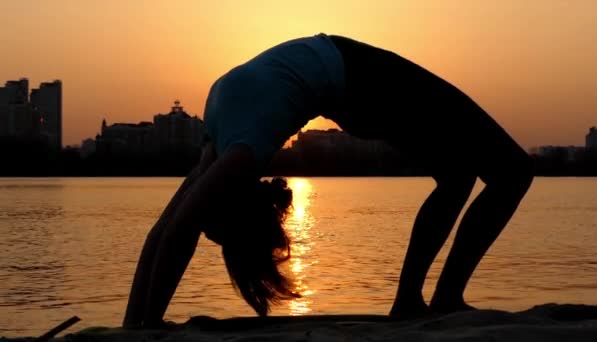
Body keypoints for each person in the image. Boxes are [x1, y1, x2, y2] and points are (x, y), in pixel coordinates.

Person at [122, 33, 534, 328]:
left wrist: (142, 327)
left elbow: (168, 234)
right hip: (360, 79)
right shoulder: (233, 151)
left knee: (461, 174)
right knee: (511, 170)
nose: (201, 212)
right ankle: (430, 299)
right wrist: (140, 329)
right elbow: (170, 234)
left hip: (358, 82)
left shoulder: (225, 154)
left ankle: (419, 300)